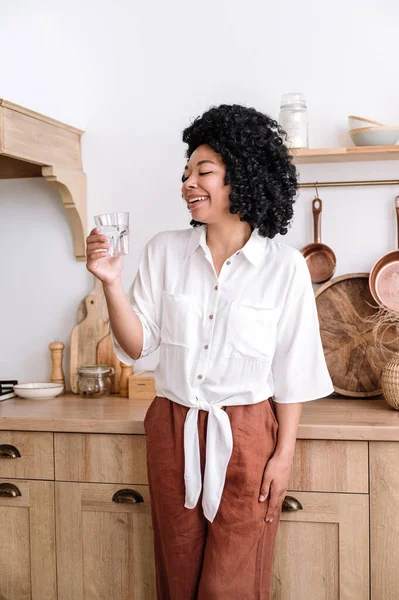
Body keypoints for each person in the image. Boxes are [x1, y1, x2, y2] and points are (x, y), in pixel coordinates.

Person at [86, 104, 334, 600]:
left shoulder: (283, 268)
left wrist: (283, 455)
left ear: (241, 175)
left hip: (246, 434)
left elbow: (293, 372)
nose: (187, 183)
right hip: (172, 427)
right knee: (178, 578)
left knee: (231, 586)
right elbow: (137, 347)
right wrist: (111, 283)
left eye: (203, 171)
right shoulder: (163, 251)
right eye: (185, 173)